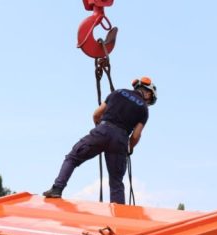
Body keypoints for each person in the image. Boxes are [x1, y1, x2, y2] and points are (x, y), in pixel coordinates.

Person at [43, 76, 157, 204]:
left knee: (72, 158)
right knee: (116, 182)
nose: (148, 102)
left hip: (102, 130)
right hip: (120, 141)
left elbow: (96, 114)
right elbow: (136, 135)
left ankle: (57, 189)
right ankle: (119, 218)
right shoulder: (143, 109)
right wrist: (129, 148)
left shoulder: (117, 93)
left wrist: (100, 130)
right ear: (147, 92)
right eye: (150, 98)